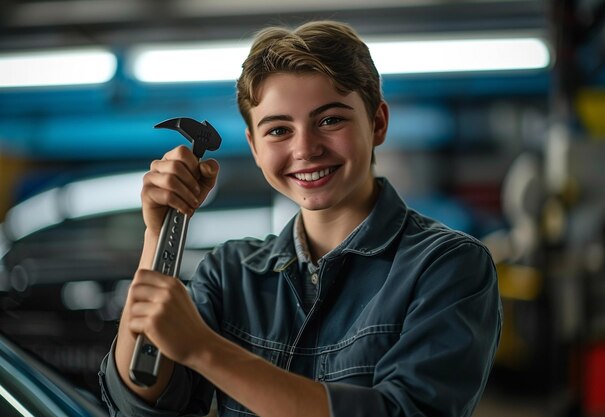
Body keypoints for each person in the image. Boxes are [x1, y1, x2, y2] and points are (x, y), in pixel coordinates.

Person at [99, 20, 502, 417]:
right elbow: (142, 403)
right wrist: (160, 233)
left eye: (330, 120)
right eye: (278, 130)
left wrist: (206, 350)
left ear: (377, 123)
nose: (305, 149)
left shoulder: (447, 266)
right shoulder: (229, 273)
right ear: (254, 147)